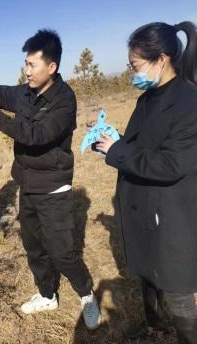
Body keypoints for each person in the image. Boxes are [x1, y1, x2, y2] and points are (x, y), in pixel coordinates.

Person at [0, 29, 101, 330]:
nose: (27, 70)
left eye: (32, 65)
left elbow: (36, 136)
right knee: (33, 245)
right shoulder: (25, 92)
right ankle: (47, 294)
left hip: (54, 187)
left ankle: (86, 294)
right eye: (26, 64)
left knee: (62, 252)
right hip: (28, 184)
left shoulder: (64, 100)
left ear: (52, 67)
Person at [96, 21, 197, 343]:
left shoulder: (188, 102)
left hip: (170, 213)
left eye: (136, 66)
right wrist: (116, 142)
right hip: (145, 207)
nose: (132, 73)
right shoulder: (148, 97)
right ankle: (155, 329)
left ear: (162, 59)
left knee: (174, 285)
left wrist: (119, 152)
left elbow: (171, 163)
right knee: (148, 276)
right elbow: (143, 144)